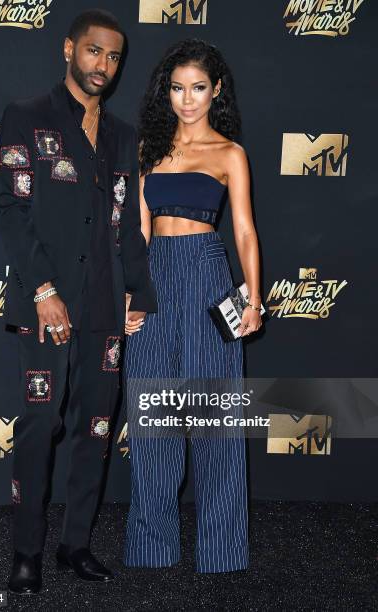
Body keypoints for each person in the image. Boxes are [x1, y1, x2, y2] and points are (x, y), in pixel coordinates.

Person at [0, 9, 157, 594]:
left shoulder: (123, 137)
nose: (103, 67)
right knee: (41, 424)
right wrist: (41, 290)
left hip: (106, 306)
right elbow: (13, 211)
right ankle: (26, 551)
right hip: (47, 305)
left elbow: (128, 228)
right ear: (69, 49)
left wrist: (139, 290)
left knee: (96, 427)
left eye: (114, 58)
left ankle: (75, 544)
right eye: (94, 52)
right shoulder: (26, 117)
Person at [123, 38, 262, 574]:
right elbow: (137, 229)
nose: (187, 100)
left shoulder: (230, 154)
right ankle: (151, 548)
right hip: (156, 272)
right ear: (166, 92)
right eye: (178, 88)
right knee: (153, 416)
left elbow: (246, 230)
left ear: (216, 91)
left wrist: (251, 297)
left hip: (209, 274)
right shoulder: (148, 150)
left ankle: (223, 549)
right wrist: (132, 292)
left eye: (198, 88)